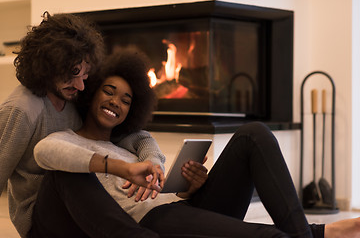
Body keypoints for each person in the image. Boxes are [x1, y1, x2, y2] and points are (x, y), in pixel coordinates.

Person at [34, 49, 360, 238]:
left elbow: (154, 161)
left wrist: (190, 188)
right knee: (265, 235)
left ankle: (310, 233)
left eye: (127, 100)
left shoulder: (130, 144)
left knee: (254, 133)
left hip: (182, 207)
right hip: (152, 221)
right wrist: (125, 168)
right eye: (108, 91)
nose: (116, 102)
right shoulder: (67, 145)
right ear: (91, 93)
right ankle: (317, 234)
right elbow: (45, 153)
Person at [0, 12, 164, 238]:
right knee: (65, 168)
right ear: (49, 64)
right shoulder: (21, 110)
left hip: (81, 209)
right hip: (42, 218)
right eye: (72, 74)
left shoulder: (72, 98)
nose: (80, 85)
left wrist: (152, 160)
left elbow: (130, 136)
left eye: (85, 76)